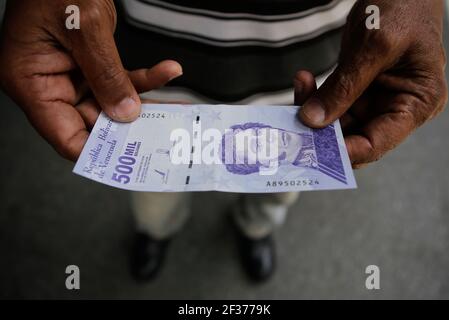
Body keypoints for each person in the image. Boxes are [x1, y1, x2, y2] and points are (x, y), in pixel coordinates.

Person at [0, 0, 447, 282]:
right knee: (153, 190)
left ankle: (255, 229)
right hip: (148, 81)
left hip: (300, 84)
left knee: (278, 188)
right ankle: (157, 231)